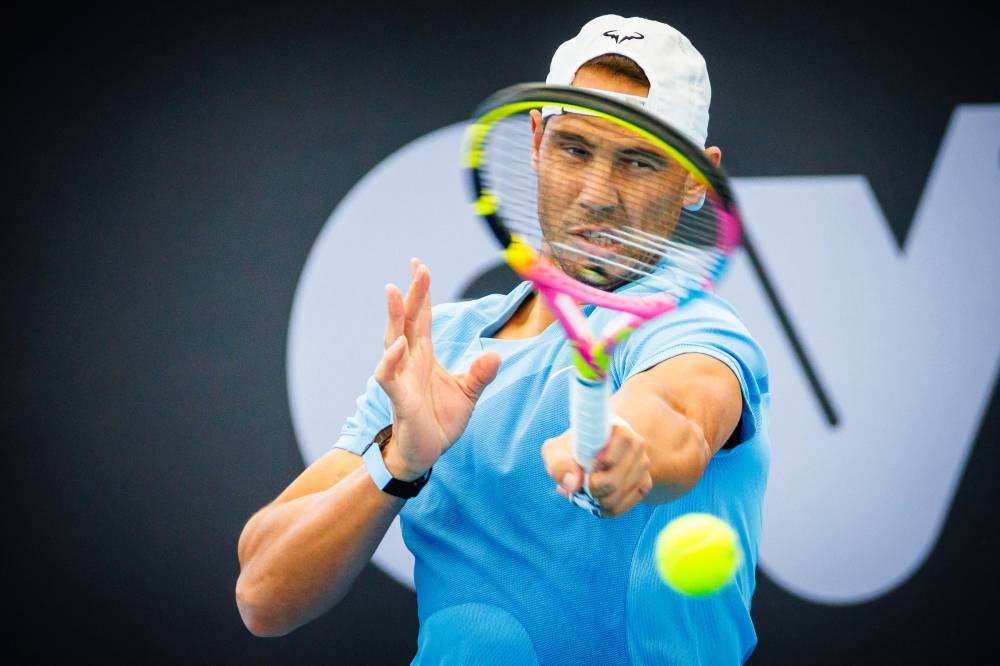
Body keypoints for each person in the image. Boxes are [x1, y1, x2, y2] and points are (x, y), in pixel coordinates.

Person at [236, 14, 770, 665]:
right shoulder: (442, 350)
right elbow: (263, 593)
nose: (598, 196)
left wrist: (620, 450)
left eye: (636, 160)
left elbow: (678, 419)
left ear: (695, 178)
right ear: (538, 139)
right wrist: (397, 463)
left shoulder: (690, 328)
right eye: (575, 149)